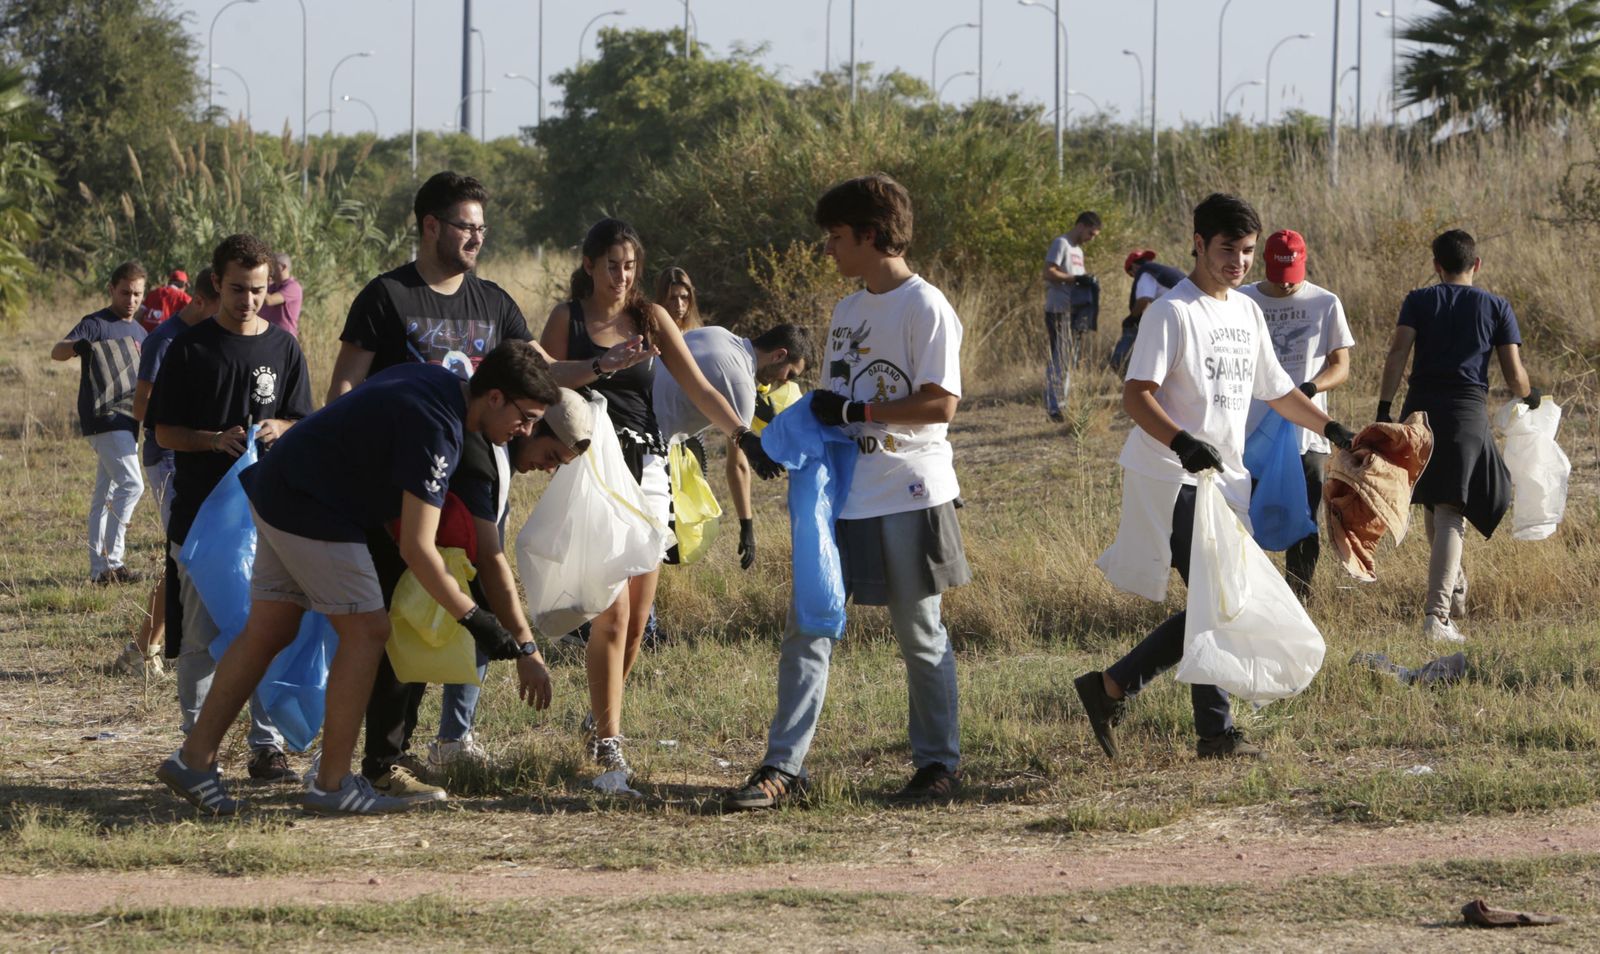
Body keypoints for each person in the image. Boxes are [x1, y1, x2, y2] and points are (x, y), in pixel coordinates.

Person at [327, 171, 650, 778]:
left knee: (445, 619)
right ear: (430, 226)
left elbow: (543, 371)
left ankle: (432, 744)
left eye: (482, 228)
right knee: (393, 618)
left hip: (474, 485)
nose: (477, 238)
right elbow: (345, 384)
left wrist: (602, 364)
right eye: (466, 226)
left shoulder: (494, 302)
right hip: (397, 488)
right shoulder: (387, 296)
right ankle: (374, 759)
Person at [156, 341, 559, 816]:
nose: (526, 431)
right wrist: (474, 618)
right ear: (494, 396)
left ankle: (194, 760)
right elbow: (417, 547)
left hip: (278, 486)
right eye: (526, 417)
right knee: (367, 630)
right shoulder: (439, 428)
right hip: (312, 505)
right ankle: (332, 785)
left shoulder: (437, 383)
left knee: (271, 629)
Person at [1081, 193, 1357, 761]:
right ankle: (1210, 729)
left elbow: (1279, 392)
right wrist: (1182, 442)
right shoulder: (1172, 312)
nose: (1239, 262)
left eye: (1248, 251)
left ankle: (1116, 690)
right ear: (1199, 244)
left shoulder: (1245, 311)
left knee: (1217, 600)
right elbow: (1136, 396)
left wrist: (1337, 433)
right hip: (1170, 476)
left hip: (1223, 481)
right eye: (1227, 249)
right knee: (1217, 596)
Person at [725, 173, 970, 810]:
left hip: (910, 492)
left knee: (919, 632)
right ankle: (784, 767)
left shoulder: (927, 308)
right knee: (808, 624)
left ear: (870, 234)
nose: (827, 250)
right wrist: (782, 441)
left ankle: (938, 764)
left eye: (836, 237)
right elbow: (832, 402)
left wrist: (858, 416)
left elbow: (941, 403)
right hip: (845, 496)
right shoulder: (849, 310)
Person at [539, 217, 783, 791]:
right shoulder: (567, 318)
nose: (621, 277)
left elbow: (699, 386)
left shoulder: (651, 317)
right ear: (589, 265)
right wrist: (603, 365)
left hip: (649, 469)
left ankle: (604, 723)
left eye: (630, 267)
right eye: (611, 266)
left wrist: (741, 433)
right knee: (612, 612)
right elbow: (543, 378)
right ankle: (607, 744)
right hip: (595, 467)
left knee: (639, 619)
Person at [359, 389, 591, 803]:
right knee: (398, 651)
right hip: (386, 540)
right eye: (551, 455)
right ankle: (378, 765)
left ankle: (393, 755)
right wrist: (526, 650)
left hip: (415, 551)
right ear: (533, 426)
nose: (548, 468)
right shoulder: (479, 454)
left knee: (417, 649)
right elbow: (490, 558)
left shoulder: (498, 453)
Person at [150, 235, 313, 784]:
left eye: (259, 291)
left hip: (267, 517)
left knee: (266, 631)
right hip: (200, 517)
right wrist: (211, 440)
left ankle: (267, 747)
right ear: (216, 283)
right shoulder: (189, 350)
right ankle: (200, 747)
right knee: (200, 638)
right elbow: (164, 430)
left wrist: (282, 428)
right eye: (238, 289)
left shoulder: (284, 348)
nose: (248, 301)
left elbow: (303, 421)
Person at [1376, 228, 1538, 643]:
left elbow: (1398, 353)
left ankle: (1456, 583)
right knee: (1449, 510)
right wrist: (1530, 395)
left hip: (1421, 410)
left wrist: (1384, 408)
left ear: (1437, 266)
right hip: (1466, 411)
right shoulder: (1496, 306)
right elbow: (1513, 371)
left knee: (1434, 504)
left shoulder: (1419, 300)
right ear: (1476, 264)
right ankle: (1437, 615)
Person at [113, 268, 221, 677]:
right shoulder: (165, 340)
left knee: (188, 557)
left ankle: (145, 647)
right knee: (183, 557)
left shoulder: (210, 338)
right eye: (217, 308)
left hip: (201, 460)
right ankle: (142, 650)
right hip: (168, 460)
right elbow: (141, 409)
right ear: (198, 301)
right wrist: (192, 426)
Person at [1240, 229, 1356, 601]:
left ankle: (1297, 600)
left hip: (1308, 434)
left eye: (1293, 278)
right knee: (1246, 520)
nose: (1287, 286)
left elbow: (1341, 365)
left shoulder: (1325, 303)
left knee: (1304, 520)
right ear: (1264, 264)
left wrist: (1311, 387)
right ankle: (1251, 600)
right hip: (1249, 435)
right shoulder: (1242, 301)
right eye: (1278, 277)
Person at [653, 322, 812, 571]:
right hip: (650, 450)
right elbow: (737, 465)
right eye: (789, 374)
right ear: (779, 355)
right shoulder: (742, 388)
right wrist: (746, 525)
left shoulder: (716, 332)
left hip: (625, 423)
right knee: (648, 548)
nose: (784, 382)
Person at [50, 260, 148, 584]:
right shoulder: (95, 323)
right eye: (125, 292)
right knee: (133, 484)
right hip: (104, 418)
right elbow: (57, 352)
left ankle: (99, 571)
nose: (131, 300)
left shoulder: (141, 332)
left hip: (129, 420)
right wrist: (76, 346)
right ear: (111, 289)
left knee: (104, 495)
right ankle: (115, 563)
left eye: (137, 294)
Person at [1041, 211, 1102, 421]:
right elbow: (1049, 272)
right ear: (1081, 226)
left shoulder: (1078, 251)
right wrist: (1075, 278)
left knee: (1067, 360)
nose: (1091, 239)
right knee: (1060, 358)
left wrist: (1084, 281)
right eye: (1091, 234)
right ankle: (1054, 407)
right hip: (1058, 309)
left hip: (1074, 311)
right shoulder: (1062, 243)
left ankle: (1061, 403)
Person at [1108, 249, 1185, 373]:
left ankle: (1135, 384)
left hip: (1179, 315)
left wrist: (1132, 317)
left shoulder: (1144, 273)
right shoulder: (1165, 271)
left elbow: (1144, 299)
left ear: (1132, 268)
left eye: (1132, 276)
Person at [258, 253, 303, 338]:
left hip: (284, 339)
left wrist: (259, 283)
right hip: (267, 337)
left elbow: (270, 300)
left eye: (273, 265)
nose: (270, 269)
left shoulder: (293, 287)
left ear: (283, 267)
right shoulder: (271, 286)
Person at [654, 266, 702, 331]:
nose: (679, 304)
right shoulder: (653, 333)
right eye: (672, 298)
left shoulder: (697, 332)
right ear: (663, 298)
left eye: (684, 297)